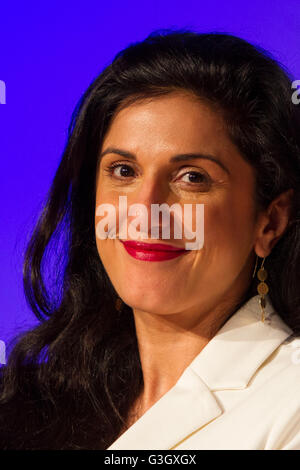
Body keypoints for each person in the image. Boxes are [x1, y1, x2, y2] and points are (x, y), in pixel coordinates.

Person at [1, 29, 300, 450]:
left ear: (269, 222)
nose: (144, 211)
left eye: (192, 178)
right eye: (124, 171)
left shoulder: (290, 402)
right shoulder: (33, 402)